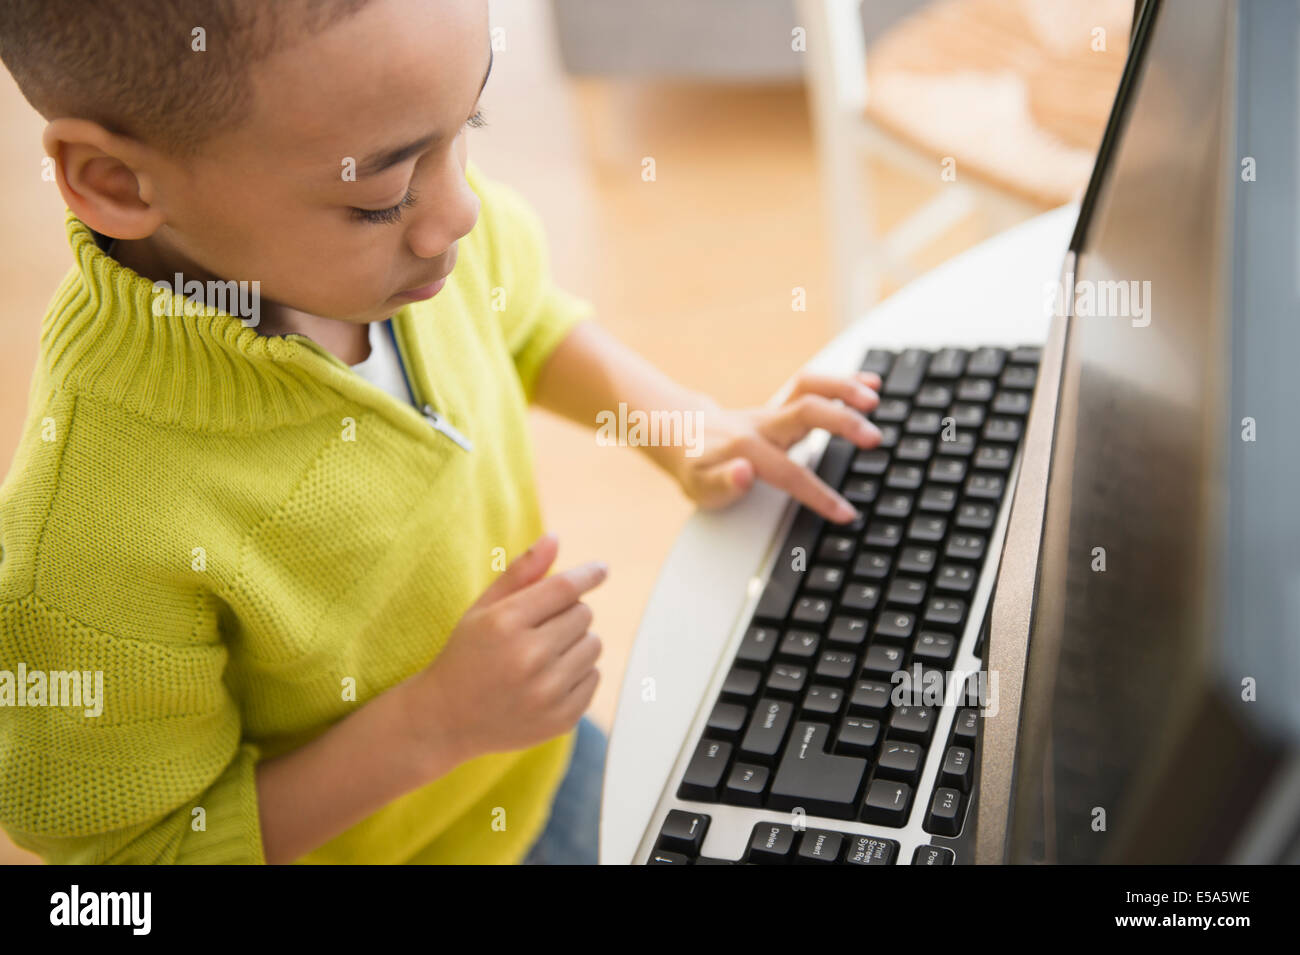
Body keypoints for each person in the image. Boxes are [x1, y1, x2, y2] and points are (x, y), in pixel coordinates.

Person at [0, 0, 883, 864]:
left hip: (540, 751)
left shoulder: (409, 223)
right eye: (382, 195)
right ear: (116, 181)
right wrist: (433, 725)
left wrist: (682, 425)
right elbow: (136, 856)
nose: (459, 210)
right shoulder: (83, 547)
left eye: (473, 121)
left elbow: (523, 319)